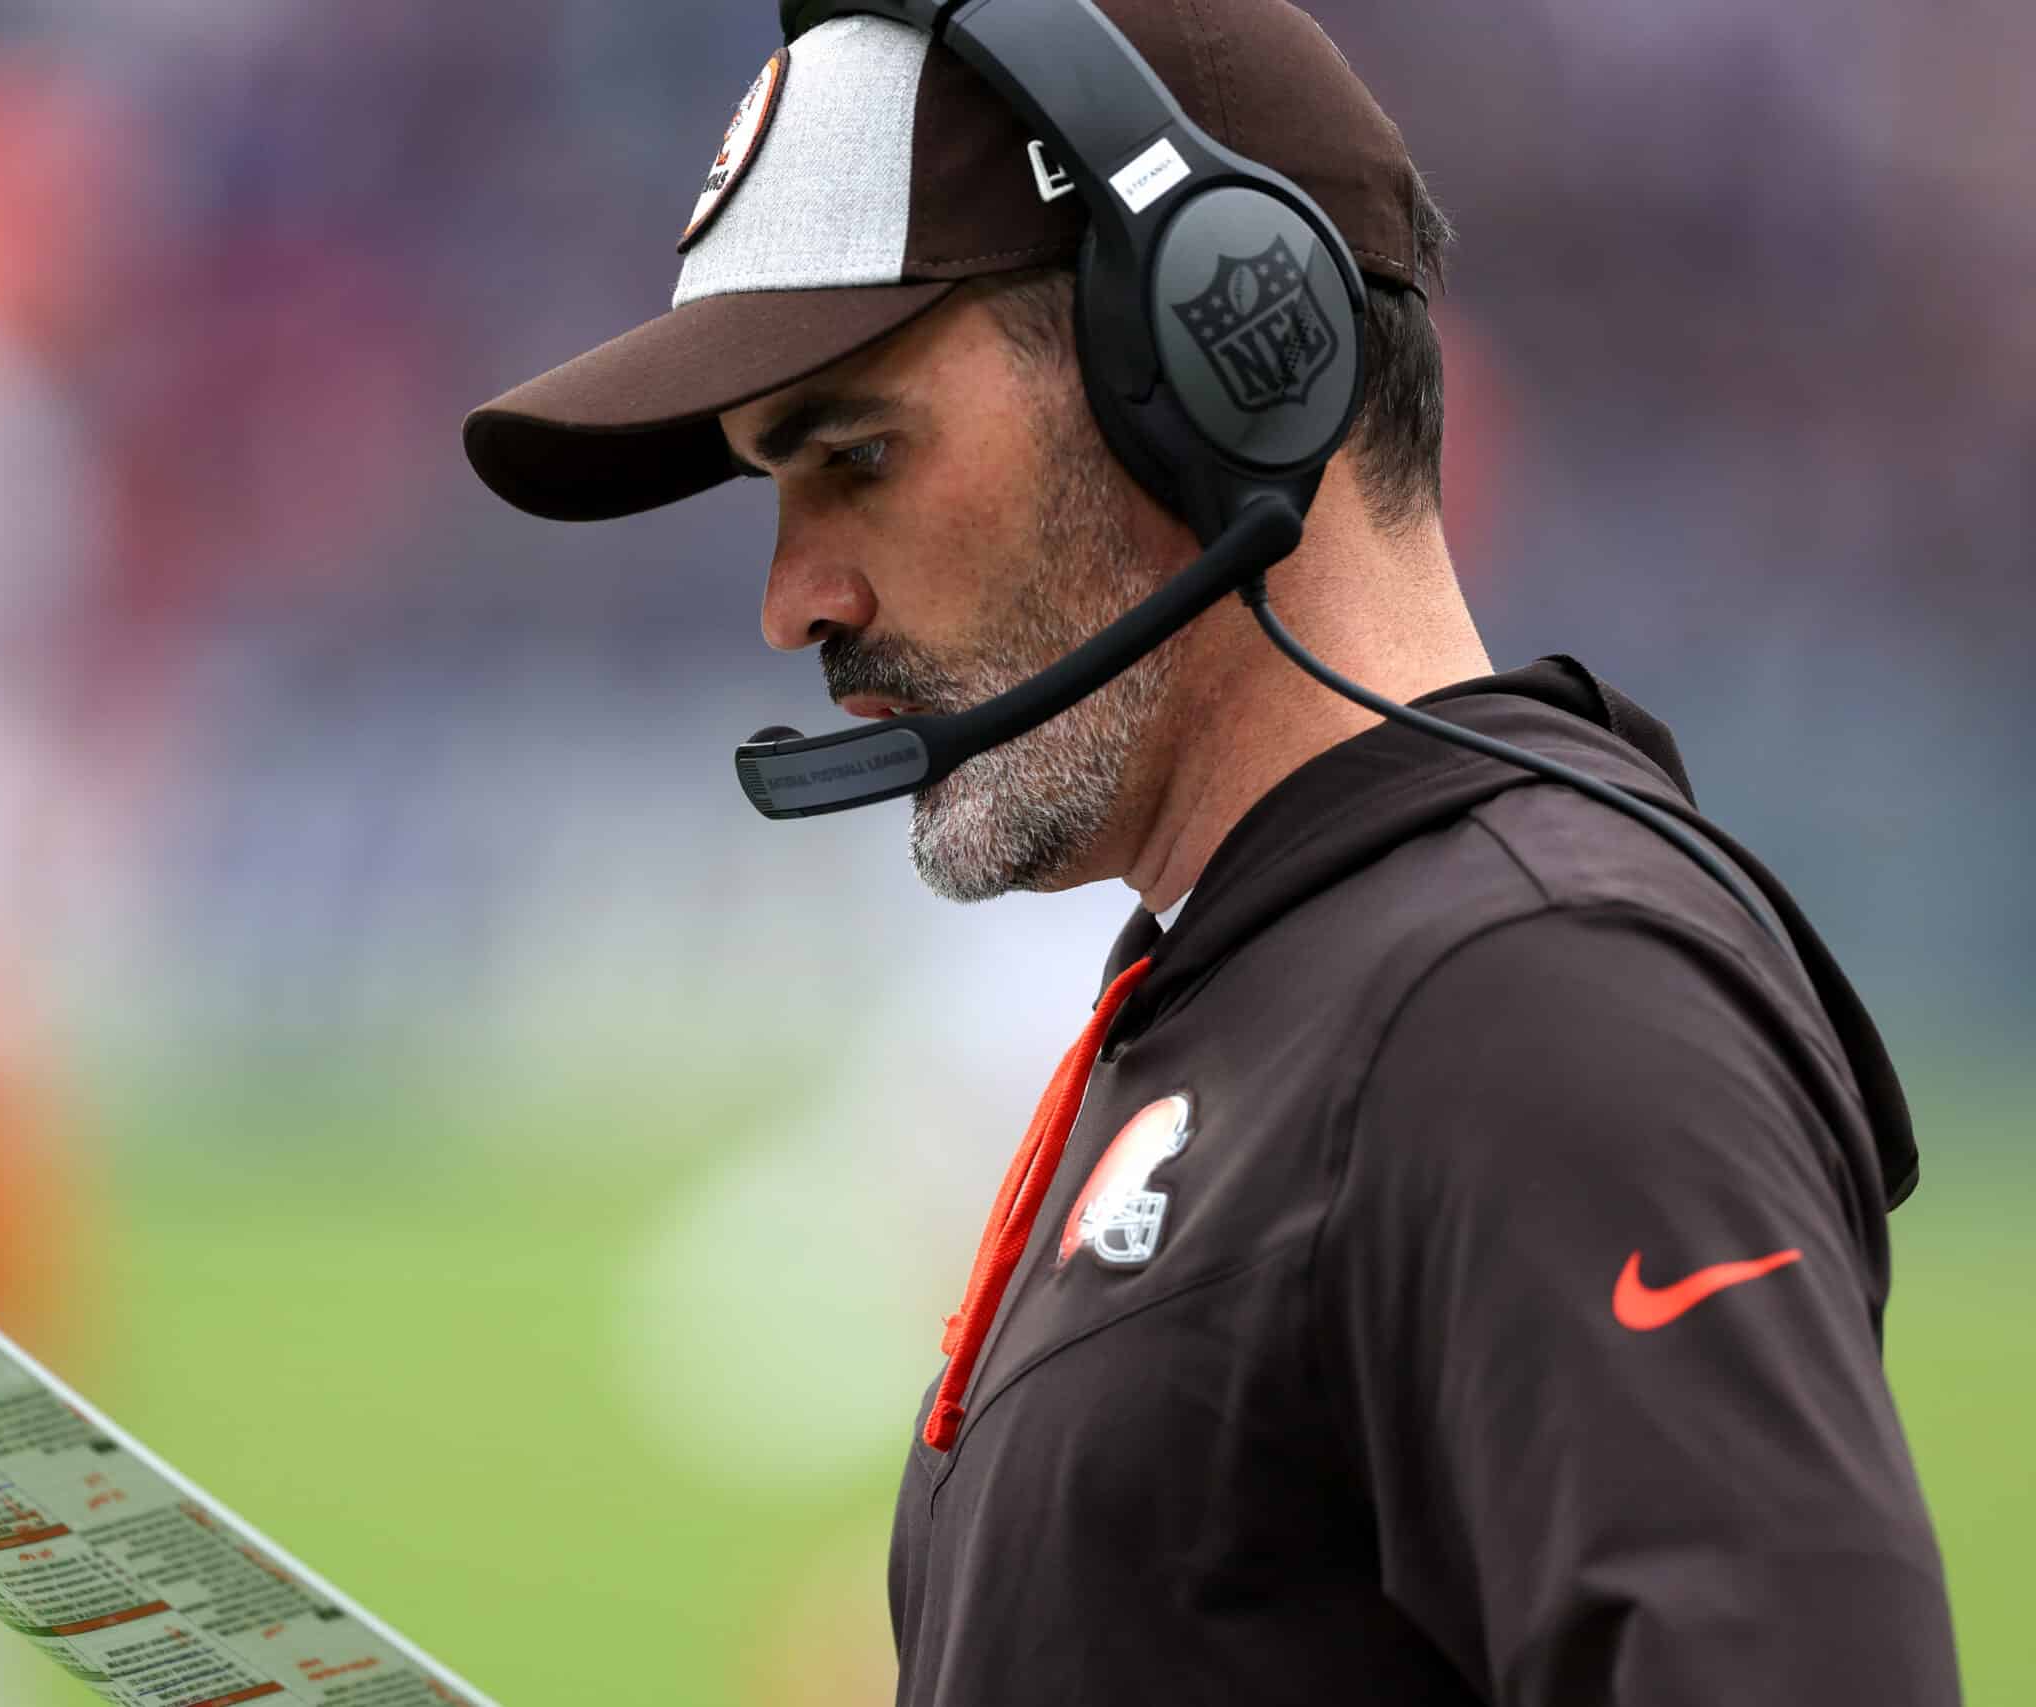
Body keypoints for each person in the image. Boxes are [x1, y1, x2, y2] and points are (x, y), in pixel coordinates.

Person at [462, 2, 1959, 1703]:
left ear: (1208, 370)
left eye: (856, 454)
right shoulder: (1275, 974)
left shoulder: (1539, 1003)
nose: (791, 596)